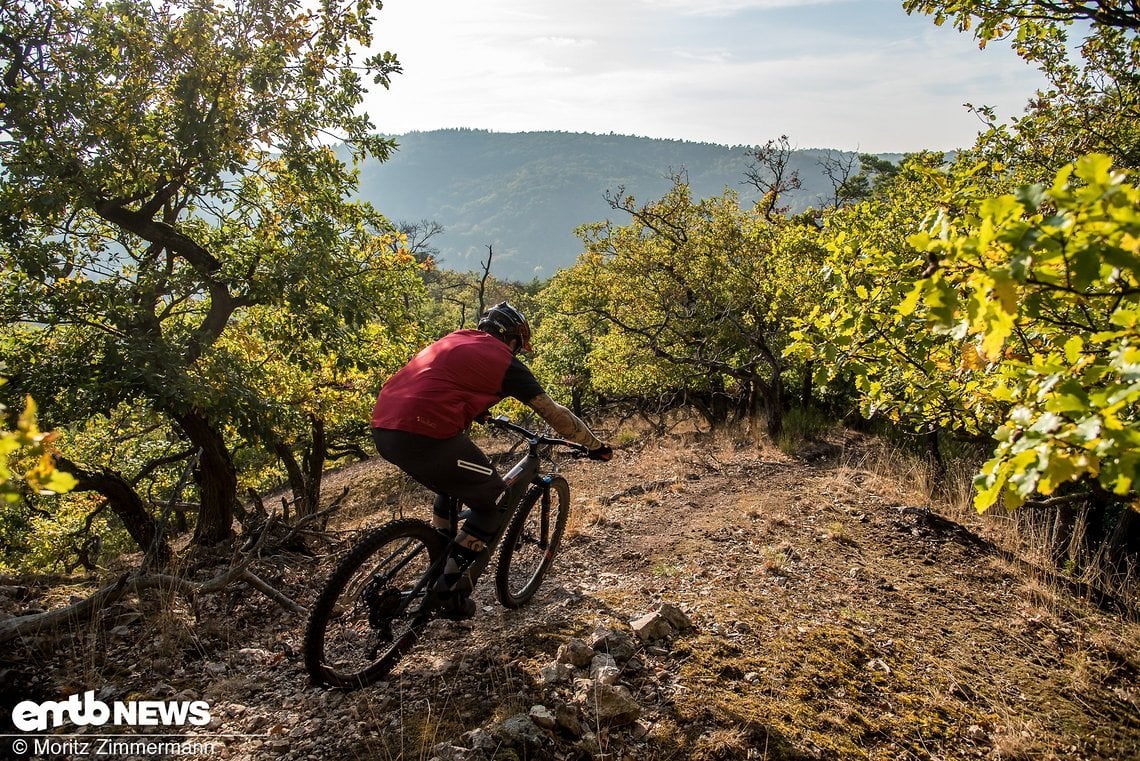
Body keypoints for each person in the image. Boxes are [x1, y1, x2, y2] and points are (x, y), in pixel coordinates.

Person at [371, 302, 613, 618]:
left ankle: (441, 561)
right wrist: (594, 445)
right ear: (512, 339)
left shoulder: (455, 338)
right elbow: (555, 414)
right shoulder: (506, 364)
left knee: (452, 485)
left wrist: (475, 407)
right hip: (424, 433)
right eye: (517, 346)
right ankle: (449, 589)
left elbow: (440, 383)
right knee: (497, 498)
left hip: (384, 427)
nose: (516, 352)